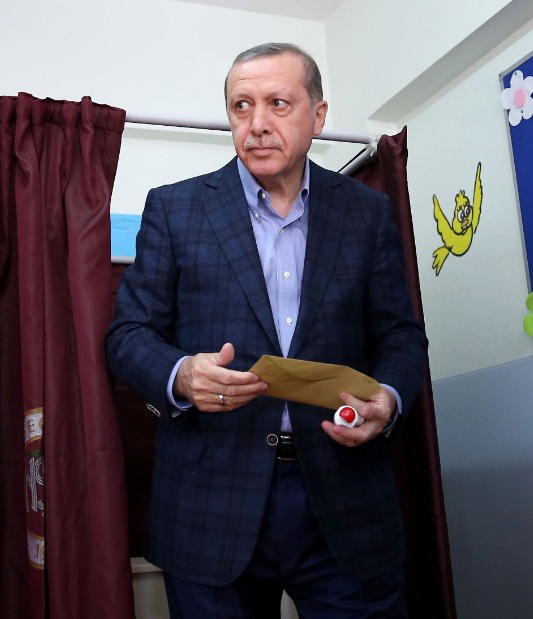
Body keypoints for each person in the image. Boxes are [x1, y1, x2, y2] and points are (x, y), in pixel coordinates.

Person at [105, 43, 428, 618]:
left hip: (345, 494)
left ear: (318, 116)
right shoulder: (176, 210)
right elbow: (128, 335)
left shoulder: (366, 213)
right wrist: (181, 376)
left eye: (278, 103)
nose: (257, 124)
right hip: (211, 500)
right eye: (241, 107)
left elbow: (401, 336)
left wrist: (389, 400)